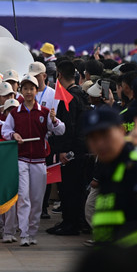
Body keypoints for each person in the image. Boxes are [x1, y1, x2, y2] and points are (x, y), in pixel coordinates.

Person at [84, 106, 137, 247]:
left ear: (121, 131)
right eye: (92, 138)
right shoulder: (110, 169)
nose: (99, 144)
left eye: (105, 135)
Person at [2, 75, 65, 246]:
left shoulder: (45, 112)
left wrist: (54, 120)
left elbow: (60, 130)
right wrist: (13, 135)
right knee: (23, 197)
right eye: (25, 88)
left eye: (32, 89)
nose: (29, 92)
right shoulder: (15, 112)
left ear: (36, 91)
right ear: (21, 91)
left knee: (37, 199)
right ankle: (23, 233)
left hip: (39, 161)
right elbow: (5, 131)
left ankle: (32, 231)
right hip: (21, 160)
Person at [47, 60, 90, 236]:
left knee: (69, 188)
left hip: (71, 153)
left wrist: (64, 150)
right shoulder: (81, 94)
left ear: (59, 75)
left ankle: (70, 224)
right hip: (80, 151)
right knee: (75, 188)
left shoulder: (69, 97)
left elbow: (69, 128)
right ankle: (73, 221)